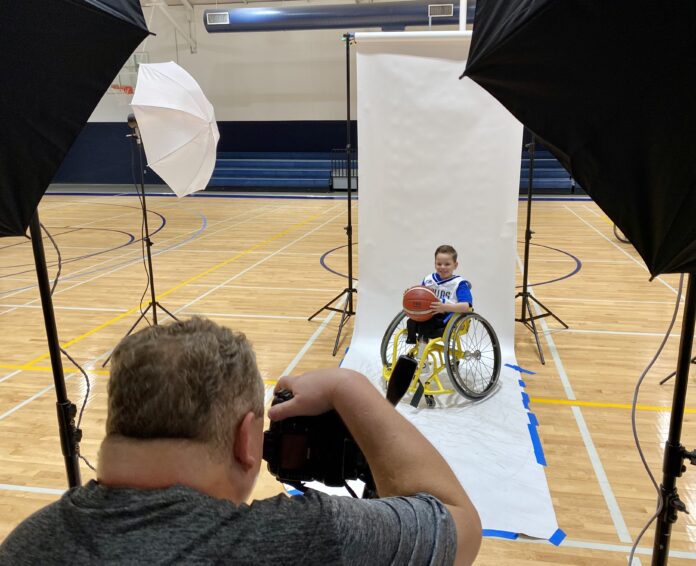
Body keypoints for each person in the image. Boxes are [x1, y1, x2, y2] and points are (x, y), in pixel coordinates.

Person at [0, 317, 481, 566]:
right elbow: (461, 527)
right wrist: (347, 387)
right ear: (248, 439)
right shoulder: (301, 540)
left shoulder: (25, 546)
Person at [407, 244, 473, 345]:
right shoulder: (429, 279)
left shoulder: (459, 283)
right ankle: (413, 345)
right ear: (435, 264)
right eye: (439, 264)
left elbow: (465, 306)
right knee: (411, 321)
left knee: (425, 325)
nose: (442, 267)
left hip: (446, 318)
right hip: (428, 314)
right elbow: (420, 296)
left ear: (455, 265)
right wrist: (410, 295)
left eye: (447, 264)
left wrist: (444, 307)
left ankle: (421, 354)